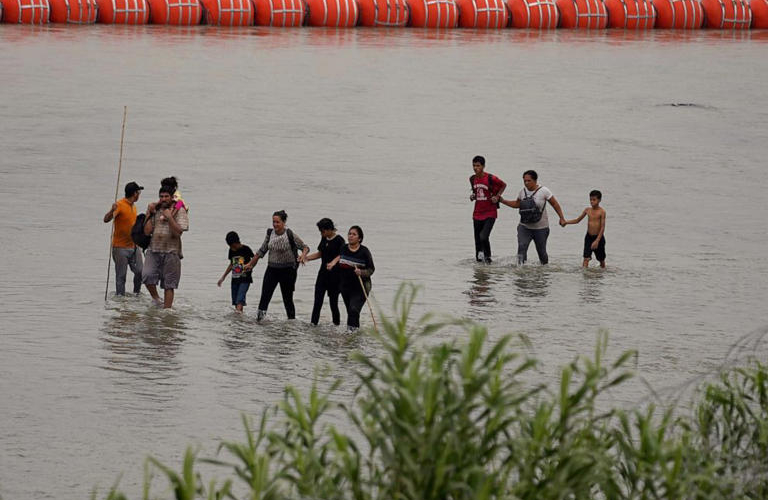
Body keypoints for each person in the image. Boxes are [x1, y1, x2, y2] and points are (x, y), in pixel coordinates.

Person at [244, 211, 309, 321]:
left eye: (277, 222)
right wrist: (250, 264)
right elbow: (261, 251)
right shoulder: (270, 233)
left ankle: (291, 324)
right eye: (273, 222)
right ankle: (259, 321)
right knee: (265, 297)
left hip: (288, 271)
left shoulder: (290, 234)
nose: (275, 224)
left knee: (287, 299)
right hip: (272, 270)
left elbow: (305, 247)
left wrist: (303, 255)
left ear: (284, 222)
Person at [499, 170, 566, 265]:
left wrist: (561, 218)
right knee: (522, 247)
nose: (526, 183)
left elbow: (555, 204)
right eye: (524, 181)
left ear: (535, 180)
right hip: (524, 227)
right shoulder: (522, 192)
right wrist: (503, 201)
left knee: (541, 253)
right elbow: (517, 204)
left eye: (529, 181)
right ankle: (521, 272)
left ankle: (544, 272)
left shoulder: (544, 191)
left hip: (541, 228)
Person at [142, 183, 189, 308]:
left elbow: (178, 232)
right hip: (153, 249)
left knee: (169, 284)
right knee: (146, 275)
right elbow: (147, 232)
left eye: (166, 196)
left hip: (172, 251)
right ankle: (157, 299)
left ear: (172, 197)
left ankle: (166, 311)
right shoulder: (156, 210)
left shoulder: (180, 211)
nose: (163, 199)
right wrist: (148, 213)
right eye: (161, 196)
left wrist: (169, 217)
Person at [330, 225, 375, 331]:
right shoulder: (343, 248)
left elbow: (371, 269)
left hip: (361, 287)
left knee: (353, 310)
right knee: (351, 312)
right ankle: (353, 335)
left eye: (354, 234)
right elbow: (341, 262)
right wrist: (332, 265)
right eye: (349, 234)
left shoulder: (364, 251)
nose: (350, 236)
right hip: (345, 287)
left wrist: (362, 272)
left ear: (359, 238)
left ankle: (351, 334)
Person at [103, 181, 144, 296]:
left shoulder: (134, 206)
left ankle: (136, 294)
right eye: (139, 192)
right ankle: (120, 299)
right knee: (121, 277)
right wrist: (112, 210)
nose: (139, 194)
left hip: (134, 246)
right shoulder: (120, 205)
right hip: (120, 247)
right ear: (134, 193)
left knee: (140, 272)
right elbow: (106, 219)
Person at [305, 218, 344, 326]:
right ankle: (313, 325)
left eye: (323, 231)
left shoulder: (339, 240)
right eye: (321, 231)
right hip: (322, 275)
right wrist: (306, 258)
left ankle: (336, 326)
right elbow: (320, 253)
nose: (322, 233)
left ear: (330, 229)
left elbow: (342, 255)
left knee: (333, 304)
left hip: (335, 277)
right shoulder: (324, 238)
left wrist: (333, 262)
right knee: (317, 302)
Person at [469, 155, 506, 263]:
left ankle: (488, 259)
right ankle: (479, 264)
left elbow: (503, 185)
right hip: (477, 213)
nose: (475, 168)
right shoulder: (472, 179)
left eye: (478, 166)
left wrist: (497, 196)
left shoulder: (491, 178)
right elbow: (476, 192)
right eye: (474, 165)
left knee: (484, 237)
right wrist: (473, 196)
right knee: (477, 240)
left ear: (483, 166)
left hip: (490, 213)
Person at [563, 190, 607, 268]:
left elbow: (602, 227)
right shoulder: (587, 210)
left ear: (599, 200)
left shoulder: (602, 212)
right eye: (590, 199)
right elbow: (577, 220)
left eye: (594, 200)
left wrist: (597, 241)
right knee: (586, 258)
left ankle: (603, 274)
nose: (591, 202)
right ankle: (585, 276)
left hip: (598, 238)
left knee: (601, 259)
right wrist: (566, 222)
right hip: (588, 237)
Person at [217, 231, 255, 312]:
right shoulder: (231, 251)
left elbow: (255, 258)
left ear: (236, 242)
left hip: (245, 279)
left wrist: (251, 265)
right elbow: (231, 264)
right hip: (235, 279)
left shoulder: (246, 249)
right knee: (235, 302)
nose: (231, 248)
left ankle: (238, 320)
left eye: (232, 246)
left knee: (239, 300)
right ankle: (239, 321)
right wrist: (223, 277)